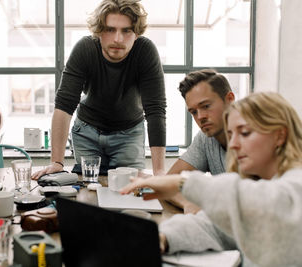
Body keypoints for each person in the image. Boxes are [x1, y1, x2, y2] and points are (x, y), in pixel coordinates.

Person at [121, 92, 302, 266]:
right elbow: (214, 225)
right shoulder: (262, 185)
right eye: (230, 135)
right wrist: (163, 238)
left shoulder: (293, 185)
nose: (233, 145)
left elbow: (265, 202)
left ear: (279, 135)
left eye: (245, 133)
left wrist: (182, 183)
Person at [32, 0, 166, 179]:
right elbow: (64, 105)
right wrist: (57, 162)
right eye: (110, 29)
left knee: (129, 191)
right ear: (99, 31)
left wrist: (159, 172)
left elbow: (155, 110)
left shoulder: (145, 51)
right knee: (89, 191)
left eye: (126, 31)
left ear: (136, 33)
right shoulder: (85, 48)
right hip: (87, 131)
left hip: (129, 134)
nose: (118, 39)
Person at [166, 69, 234, 214]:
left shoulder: (258, 136)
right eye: (194, 112)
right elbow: (169, 182)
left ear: (230, 99)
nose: (200, 117)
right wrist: (187, 204)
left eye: (206, 106)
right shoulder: (206, 138)